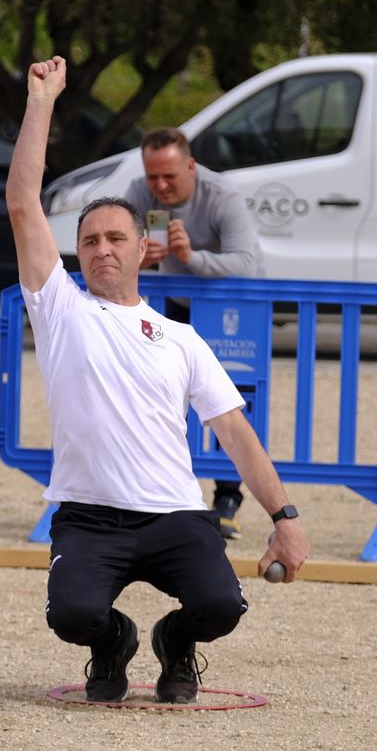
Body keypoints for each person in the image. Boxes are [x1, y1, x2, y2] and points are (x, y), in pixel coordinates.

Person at [6, 57, 310, 704]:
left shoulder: (181, 338)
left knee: (222, 604)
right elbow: (21, 201)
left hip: (175, 515)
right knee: (72, 614)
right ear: (77, 253)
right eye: (89, 241)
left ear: (142, 249)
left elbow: (234, 430)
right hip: (89, 519)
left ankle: (176, 641)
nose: (102, 249)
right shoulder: (60, 309)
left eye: (116, 237)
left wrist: (284, 516)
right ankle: (112, 641)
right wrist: (42, 101)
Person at [124, 127, 263, 539]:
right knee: (157, 395)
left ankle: (227, 498)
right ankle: (161, 497)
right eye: (153, 177)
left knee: (229, 397)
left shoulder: (222, 194)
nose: (160, 186)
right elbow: (111, 254)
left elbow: (246, 264)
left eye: (170, 176)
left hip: (229, 311)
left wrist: (191, 257)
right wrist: (141, 259)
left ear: (191, 166)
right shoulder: (135, 191)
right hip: (171, 308)